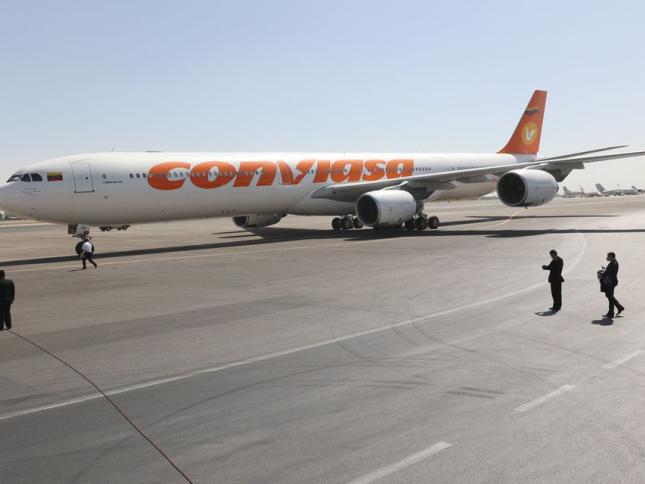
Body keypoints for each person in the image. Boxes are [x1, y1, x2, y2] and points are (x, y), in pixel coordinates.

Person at [600, 252, 624, 318]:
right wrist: (605, 270)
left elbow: (611, 273)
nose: (607, 257)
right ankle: (616, 309)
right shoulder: (613, 262)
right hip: (611, 282)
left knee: (610, 296)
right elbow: (609, 271)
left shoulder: (614, 263)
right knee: (609, 296)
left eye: (608, 256)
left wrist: (604, 271)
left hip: (611, 282)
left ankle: (613, 311)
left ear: (611, 257)